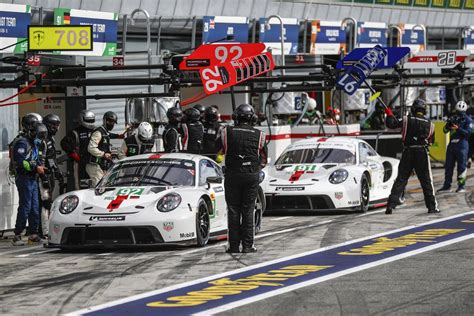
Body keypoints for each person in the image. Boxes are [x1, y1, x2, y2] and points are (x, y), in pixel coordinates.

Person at [219, 104, 267, 253]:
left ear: (236, 117)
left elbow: (219, 154)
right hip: (251, 176)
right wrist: (256, 168)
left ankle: (233, 246)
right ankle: (248, 246)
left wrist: (222, 164)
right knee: (248, 210)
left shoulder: (226, 132)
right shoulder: (260, 134)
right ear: (252, 118)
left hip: (232, 175)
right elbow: (264, 159)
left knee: (233, 210)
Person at [384, 99, 439, 214]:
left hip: (408, 151)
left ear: (413, 109)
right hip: (422, 152)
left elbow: (391, 124)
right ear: (424, 110)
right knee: (426, 181)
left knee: (401, 179)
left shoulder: (406, 119)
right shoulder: (431, 125)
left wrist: (389, 114)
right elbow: (431, 141)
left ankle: (390, 205)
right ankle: (432, 207)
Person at [11, 117, 47, 245]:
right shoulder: (22, 143)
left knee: (35, 207)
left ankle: (33, 234)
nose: (41, 139)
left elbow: (36, 159)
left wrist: (40, 168)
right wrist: (35, 167)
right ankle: (17, 235)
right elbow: (21, 162)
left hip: (32, 178)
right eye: (39, 135)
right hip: (23, 177)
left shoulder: (35, 144)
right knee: (25, 206)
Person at [438, 100, 473, 193]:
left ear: (464, 111)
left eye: (460, 113)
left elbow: (468, 133)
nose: (459, 115)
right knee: (448, 166)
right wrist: (448, 125)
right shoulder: (453, 118)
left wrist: (458, 128)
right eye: (457, 112)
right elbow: (444, 131)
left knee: (461, 166)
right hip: (452, 144)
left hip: (462, 144)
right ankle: (447, 186)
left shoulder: (469, 120)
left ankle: (461, 186)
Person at [39, 114, 64, 239]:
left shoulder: (50, 139)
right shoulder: (42, 140)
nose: (56, 127)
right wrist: (43, 176)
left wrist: (58, 172)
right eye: (53, 125)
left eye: (57, 125)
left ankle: (44, 229)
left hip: (50, 173)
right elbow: (41, 159)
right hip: (44, 175)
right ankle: (44, 231)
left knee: (48, 201)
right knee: (45, 202)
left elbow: (52, 158)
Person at [61, 110, 95, 190]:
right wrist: (72, 153)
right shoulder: (75, 132)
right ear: (81, 119)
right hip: (80, 163)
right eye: (88, 120)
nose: (90, 122)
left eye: (91, 120)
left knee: (95, 184)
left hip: (94, 162)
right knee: (81, 185)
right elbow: (64, 143)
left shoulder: (96, 130)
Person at [86, 111, 120, 187]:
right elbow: (91, 148)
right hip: (94, 165)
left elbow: (109, 135)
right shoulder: (98, 132)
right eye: (109, 121)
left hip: (101, 165)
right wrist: (103, 154)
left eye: (113, 122)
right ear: (104, 120)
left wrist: (118, 136)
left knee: (105, 185)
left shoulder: (105, 132)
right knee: (99, 187)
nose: (111, 124)